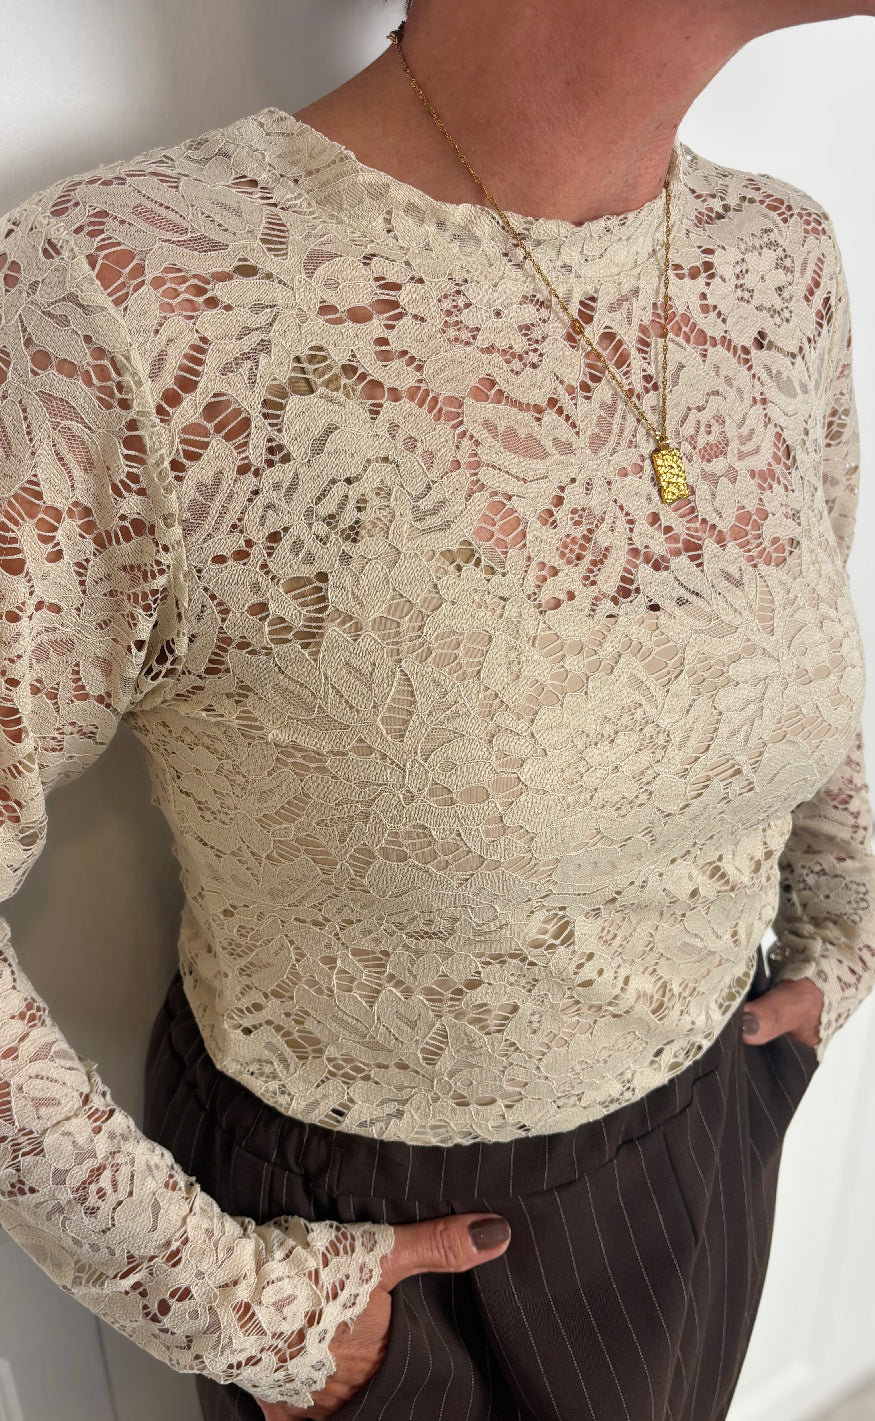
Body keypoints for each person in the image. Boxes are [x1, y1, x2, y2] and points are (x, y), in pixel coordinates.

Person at [2, 1, 874, 1418]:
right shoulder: (137, 293)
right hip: (386, 1261)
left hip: (714, 1136)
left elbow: (788, 644)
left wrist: (844, 930)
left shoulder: (777, 257)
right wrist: (246, 1309)